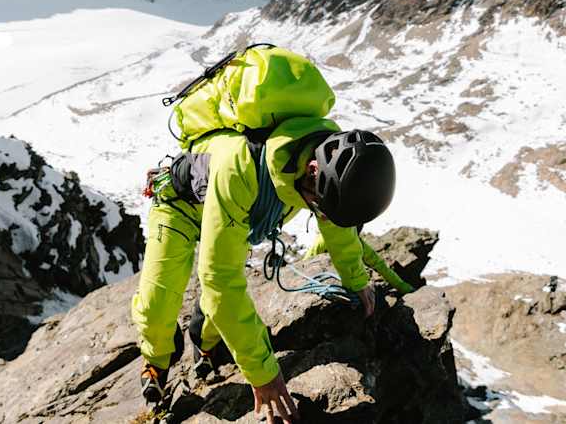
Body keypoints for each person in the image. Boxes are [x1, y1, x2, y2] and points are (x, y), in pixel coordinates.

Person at [131, 122, 397, 424]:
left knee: (214, 315)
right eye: (319, 207)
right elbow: (220, 280)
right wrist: (264, 375)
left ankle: (206, 346)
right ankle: (157, 361)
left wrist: (356, 279)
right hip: (180, 209)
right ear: (312, 170)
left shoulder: (327, 156)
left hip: (236, 216)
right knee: (158, 303)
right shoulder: (242, 165)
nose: (321, 215)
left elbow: (336, 225)